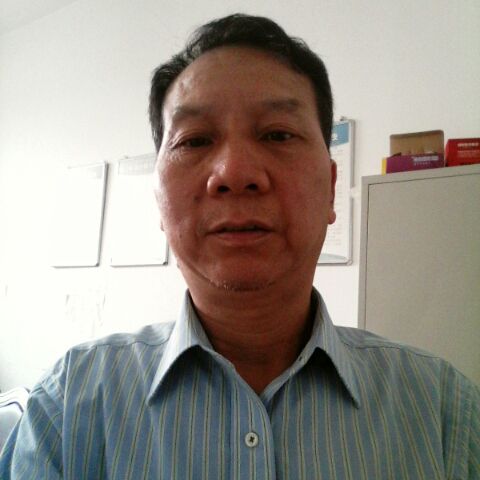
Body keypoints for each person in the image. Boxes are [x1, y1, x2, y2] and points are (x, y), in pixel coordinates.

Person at [0, 13, 479, 480]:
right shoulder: (67, 410)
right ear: (158, 201)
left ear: (331, 189)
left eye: (277, 134)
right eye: (194, 140)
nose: (234, 173)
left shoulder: (443, 412)